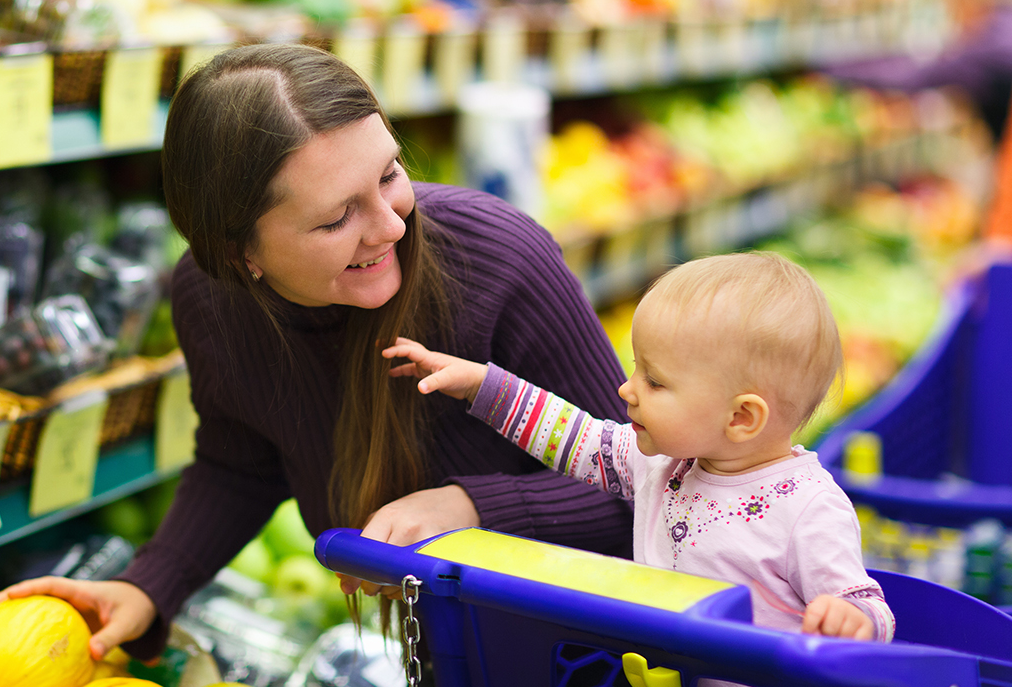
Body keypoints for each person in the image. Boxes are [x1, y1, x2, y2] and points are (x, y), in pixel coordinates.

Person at [0, 43, 635, 660]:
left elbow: (646, 484)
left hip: (597, 645)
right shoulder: (211, 299)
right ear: (244, 254)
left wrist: (470, 509)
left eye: (390, 174)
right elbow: (240, 462)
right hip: (444, 647)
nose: (390, 224)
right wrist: (150, 585)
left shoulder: (498, 258)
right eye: (335, 218)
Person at [382, 252, 896, 642]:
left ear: (741, 416)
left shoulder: (806, 508)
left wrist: (852, 621)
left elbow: (868, 603)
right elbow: (571, 434)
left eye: (654, 381)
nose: (627, 389)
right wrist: (480, 385)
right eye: (636, 368)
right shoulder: (659, 463)